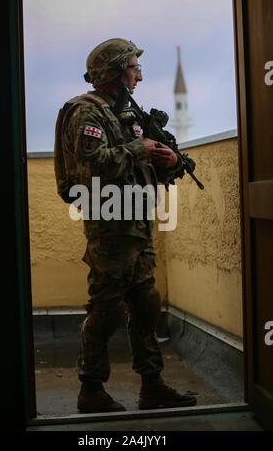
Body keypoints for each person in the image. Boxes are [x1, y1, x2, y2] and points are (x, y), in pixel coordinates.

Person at [58, 38, 197, 413]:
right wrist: (142, 149)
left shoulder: (129, 114)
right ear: (114, 73)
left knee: (146, 303)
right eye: (133, 68)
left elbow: (139, 163)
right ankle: (91, 390)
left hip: (138, 223)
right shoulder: (86, 112)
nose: (138, 75)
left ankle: (152, 385)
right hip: (109, 226)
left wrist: (167, 160)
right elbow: (95, 165)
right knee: (107, 308)